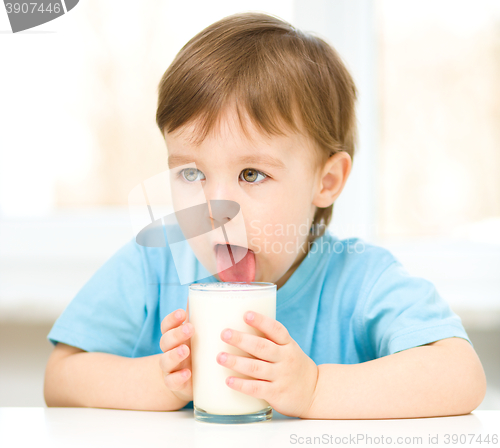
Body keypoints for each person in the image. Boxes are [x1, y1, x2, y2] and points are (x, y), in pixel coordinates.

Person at [44, 12, 486, 419]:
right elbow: (61, 376)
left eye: (251, 173)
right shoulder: (154, 265)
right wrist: (161, 382)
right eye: (192, 172)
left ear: (326, 181)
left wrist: (313, 388)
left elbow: (461, 376)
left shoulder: (359, 280)